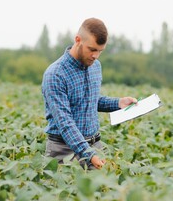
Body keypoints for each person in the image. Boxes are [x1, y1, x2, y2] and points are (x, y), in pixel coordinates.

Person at [41, 17, 137, 170]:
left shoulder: (95, 67)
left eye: (100, 51)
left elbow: (90, 100)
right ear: (78, 40)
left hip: (95, 147)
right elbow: (64, 122)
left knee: (103, 192)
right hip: (63, 151)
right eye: (92, 49)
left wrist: (118, 103)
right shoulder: (55, 74)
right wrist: (88, 154)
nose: (96, 56)